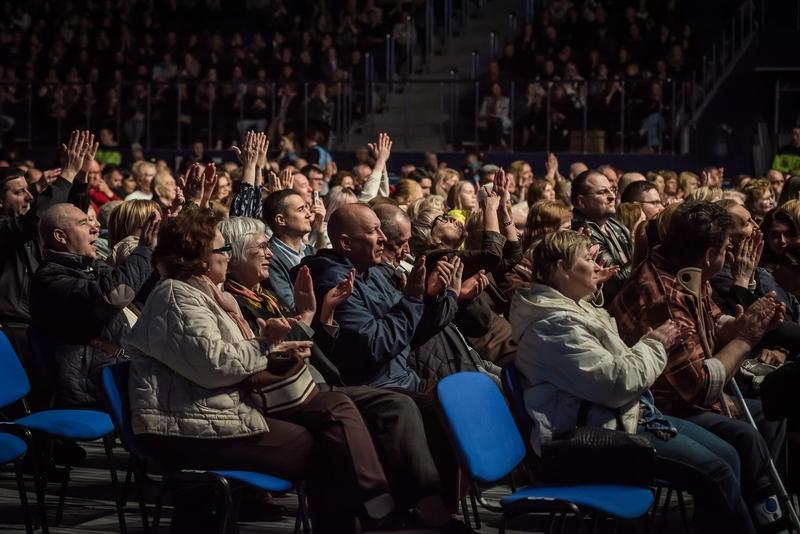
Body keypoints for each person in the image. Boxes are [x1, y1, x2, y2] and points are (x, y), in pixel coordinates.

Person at [123, 211, 402, 534]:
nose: (226, 257)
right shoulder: (176, 295)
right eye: (222, 251)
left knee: (334, 409)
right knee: (322, 444)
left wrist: (276, 347)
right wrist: (266, 344)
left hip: (214, 409)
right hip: (185, 427)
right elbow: (217, 365)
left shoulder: (205, 295)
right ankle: (378, 509)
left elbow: (220, 357)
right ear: (200, 260)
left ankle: (376, 507)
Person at [218, 216, 464, 531]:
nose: (270, 254)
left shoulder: (265, 296)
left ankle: (433, 504)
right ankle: (413, 507)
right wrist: (307, 322)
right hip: (290, 394)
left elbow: (305, 343)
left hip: (315, 381)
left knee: (438, 401)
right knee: (398, 405)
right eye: (261, 248)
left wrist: (321, 319)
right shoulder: (235, 302)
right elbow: (264, 355)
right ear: (235, 256)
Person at [510, 230, 757, 533]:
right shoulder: (553, 326)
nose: (597, 264)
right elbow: (616, 384)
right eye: (587, 259)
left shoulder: (570, 309)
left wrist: (584, 292)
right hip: (589, 439)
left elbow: (598, 347)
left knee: (730, 453)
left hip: (622, 418)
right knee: (716, 471)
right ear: (562, 269)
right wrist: (655, 344)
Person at [609, 201, 790, 531]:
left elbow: (712, 322)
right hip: (659, 406)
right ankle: (751, 519)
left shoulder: (686, 271)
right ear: (709, 255)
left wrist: (745, 323)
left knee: (772, 412)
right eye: (725, 249)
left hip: (683, 396)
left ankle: (761, 508)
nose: (729, 257)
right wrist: (746, 339)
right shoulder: (662, 295)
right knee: (744, 436)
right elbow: (699, 387)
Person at [0, 131, 95, 404]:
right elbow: (33, 222)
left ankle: (53, 445)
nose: (28, 197)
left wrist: (80, 179)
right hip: (11, 332)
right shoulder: (6, 228)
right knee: (24, 403)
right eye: (18, 192)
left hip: (38, 327)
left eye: (28, 190)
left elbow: (68, 221)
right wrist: (66, 174)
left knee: (51, 395)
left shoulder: (28, 228)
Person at [32, 202, 156, 407]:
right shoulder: (50, 278)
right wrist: (144, 250)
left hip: (115, 367)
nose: (94, 227)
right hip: (88, 382)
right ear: (60, 237)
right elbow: (114, 295)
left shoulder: (92, 267)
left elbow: (139, 285)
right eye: (83, 223)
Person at [571, 169, 632, 303]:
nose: (612, 196)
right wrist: (646, 250)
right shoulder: (581, 232)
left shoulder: (614, 223)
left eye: (612, 190)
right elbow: (615, 282)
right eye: (602, 192)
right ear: (581, 201)